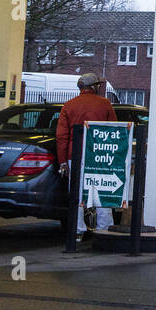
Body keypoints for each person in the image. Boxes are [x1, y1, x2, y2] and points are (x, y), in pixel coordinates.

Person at [56, 72, 117, 241]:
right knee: (102, 193)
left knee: (76, 195)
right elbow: (113, 131)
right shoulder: (105, 104)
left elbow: (61, 136)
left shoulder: (68, 105)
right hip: (100, 155)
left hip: (74, 156)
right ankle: (104, 232)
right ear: (94, 86)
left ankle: (77, 231)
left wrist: (62, 162)